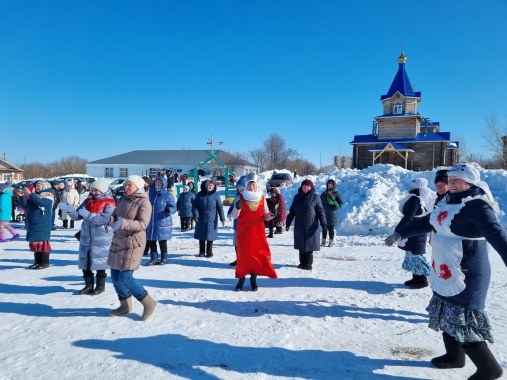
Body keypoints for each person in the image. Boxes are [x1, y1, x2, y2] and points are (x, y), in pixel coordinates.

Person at [385, 164, 506, 380]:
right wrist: (399, 234)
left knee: (464, 320)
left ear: (470, 182)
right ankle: (455, 357)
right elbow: (425, 222)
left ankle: (490, 369)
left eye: (456, 179)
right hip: (445, 270)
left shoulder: (478, 206)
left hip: (469, 273)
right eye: (450, 179)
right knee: (446, 314)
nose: (451, 183)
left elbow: (496, 234)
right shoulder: (448, 202)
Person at [107, 175, 156, 320]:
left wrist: (122, 223)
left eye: (129, 185)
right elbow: (115, 218)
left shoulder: (144, 202)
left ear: (138, 186)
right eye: (125, 184)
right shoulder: (122, 199)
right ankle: (125, 305)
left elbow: (142, 224)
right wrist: (105, 219)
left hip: (134, 244)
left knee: (126, 277)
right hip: (118, 241)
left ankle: (149, 303)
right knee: (115, 277)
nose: (126, 187)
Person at [58, 179, 115, 295]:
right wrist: (70, 211)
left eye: (96, 190)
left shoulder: (110, 203)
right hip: (86, 235)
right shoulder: (88, 201)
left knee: (100, 261)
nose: (93, 192)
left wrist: (88, 215)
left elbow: (104, 219)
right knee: (86, 260)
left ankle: (100, 285)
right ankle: (88, 285)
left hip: (101, 236)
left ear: (103, 191)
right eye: (92, 190)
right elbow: (78, 216)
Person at [232, 174, 277, 291]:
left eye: (253, 184)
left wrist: (272, 214)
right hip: (244, 233)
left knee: (256, 257)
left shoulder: (262, 198)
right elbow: (234, 215)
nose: (251, 186)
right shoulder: (241, 197)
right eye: (249, 184)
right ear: (246, 185)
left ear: (257, 185)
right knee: (243, 257)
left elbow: (265, 216)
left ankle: (253, 280)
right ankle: (241, 280)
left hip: (257, 232)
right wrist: (237, 208)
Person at [393, 178, 435, 289]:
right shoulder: (419, 197)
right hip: (415, 229)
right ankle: (416, 278)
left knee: (416, 255)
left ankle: (422, 280)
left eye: (412, 185)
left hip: (414, 230)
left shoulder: (415, 199)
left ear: (416, 187)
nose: (410, 187)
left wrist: (398, 230)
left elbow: (409, 216)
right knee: (412, 254)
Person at [286, 179, 326, 270]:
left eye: (308, 186)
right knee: (301, 245)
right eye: (304, 186)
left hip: (311, 225)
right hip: (299, 225)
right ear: (301, 187)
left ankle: (308, 264)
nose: (306, 188)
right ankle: (302, 263)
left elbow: (321, 211)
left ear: (311, 187)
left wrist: (324, 223)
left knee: (309, 245)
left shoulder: (315, 197)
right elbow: (292, 211)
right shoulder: (297, 197)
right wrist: (288, 222)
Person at [18, 180, 54, 269]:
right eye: (36, 186)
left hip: (43, 223)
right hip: (34, 223)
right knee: (36, 242)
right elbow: (25, 206)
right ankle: (37, 262)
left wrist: (31, 194)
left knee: (42, 242)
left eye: (39, 186)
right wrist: (22, 197)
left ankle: (44, 263)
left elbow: (42, 203)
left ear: (44, 187)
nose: (37, 187)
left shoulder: (48, 196)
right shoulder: (35, 196)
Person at [145, 177, 177, 266]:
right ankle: (154, 258)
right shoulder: (151, 195)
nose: (157, 186)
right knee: (151, 240)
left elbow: (174, 207)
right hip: (151, 221)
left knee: (162, 241)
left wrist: (169, 210)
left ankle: (164, 258)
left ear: (163, 185)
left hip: (163, 221)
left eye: (159, 185)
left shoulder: (168, 195)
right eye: (156, 184)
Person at [192, 179, 225, 258]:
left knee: (210, 235)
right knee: (202, 235)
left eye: (212, 185)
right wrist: (195, 214)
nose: (210, 186)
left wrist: (222, 217)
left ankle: (209, 252)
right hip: (201, 217)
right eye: (209, 185)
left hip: (212, 218)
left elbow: (219, 207)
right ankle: (202, 251)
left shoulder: (216, 195)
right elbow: (195, 206)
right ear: (206, 185)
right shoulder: (200, 194)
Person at [227, 177, 246, 266]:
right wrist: (229, 213)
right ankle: (238, 259)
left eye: (242, 186)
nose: (240, 188)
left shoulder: (248, 197)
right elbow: (232, 206)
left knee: (245, 244)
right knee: (237, 243)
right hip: (237, 223)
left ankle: (245, 260)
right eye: (238, 186)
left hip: (245, 224)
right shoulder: (237, 196)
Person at [320, 179, 344, 247]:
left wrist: (336, 207)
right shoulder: (324, 193)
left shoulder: (336, 193)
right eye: (328, 185)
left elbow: (341, 202)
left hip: (332, 214)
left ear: (333, 186)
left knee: (331, 228)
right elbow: (319, 201)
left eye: (331, 185)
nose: (329, 186)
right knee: (324, 228)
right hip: (324, 213)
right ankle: (323, 241)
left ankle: (331, 241)